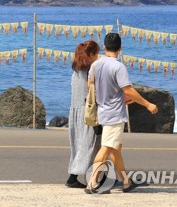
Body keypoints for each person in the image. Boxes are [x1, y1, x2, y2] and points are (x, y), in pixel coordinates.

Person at [86, 33, 158, 194]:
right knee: (106, 148)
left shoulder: (96, 65)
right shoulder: (119, 67)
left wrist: (107, 95)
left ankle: (126, 182)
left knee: (115, 148)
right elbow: (128, 90)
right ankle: (92, 183)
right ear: (120, 48)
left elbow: (90, 84)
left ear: (104, 47)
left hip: (102, 111)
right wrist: (147, 104)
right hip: (115, 114)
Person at [66, 40, 102, 188]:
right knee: (89, 145)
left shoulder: (76, 69)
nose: (98, 57)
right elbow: (92, 93)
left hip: (75, 111)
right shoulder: (90, 70)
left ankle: (96, 176)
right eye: (97, 54)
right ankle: (73, 177)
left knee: (79, 145)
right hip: (87, 111)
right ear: (91, 54)